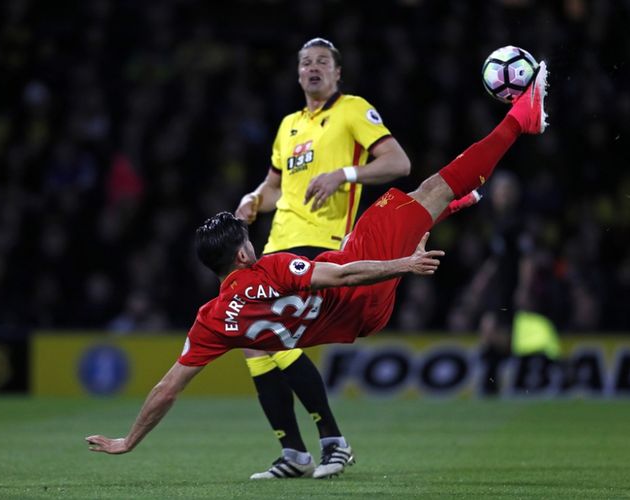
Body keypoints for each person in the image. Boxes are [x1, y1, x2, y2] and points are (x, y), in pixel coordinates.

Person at [86, 60, 548, 469]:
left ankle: (451, 204)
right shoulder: (274, 268)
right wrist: (404, 264)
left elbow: (168, 387)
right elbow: (344, 274)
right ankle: (519, 121)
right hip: (359, 281)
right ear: (245, 254)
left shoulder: (212, 321)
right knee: (433, 188)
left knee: (410, 207)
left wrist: (129, 440)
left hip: (359, 316)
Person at [233, 37, 412, 479]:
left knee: (276, 334)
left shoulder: (352, 110)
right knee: (256, 341)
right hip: (276, 247)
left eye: (322, 62)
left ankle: (333, 442)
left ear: (337, 73)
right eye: (306, 63)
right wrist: (254, 198)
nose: (313, 68)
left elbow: (398, 163)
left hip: (323, 243)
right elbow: (276, 188)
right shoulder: (288, 124)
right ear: (297, 75)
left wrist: (345, 174)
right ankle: (294, 452)